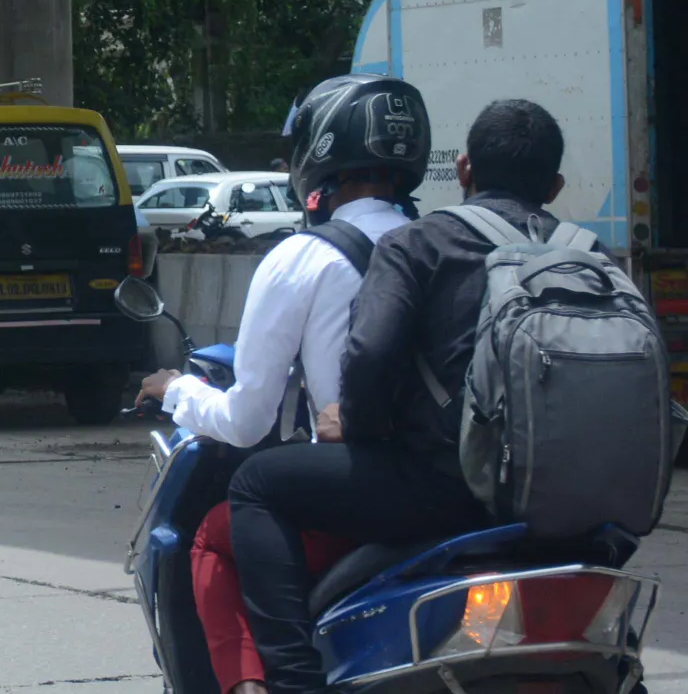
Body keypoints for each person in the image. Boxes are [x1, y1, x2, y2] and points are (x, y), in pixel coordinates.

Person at [230, 99, 571, 694]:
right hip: (569, 502)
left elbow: (370, 355)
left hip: (449, 491)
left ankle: (294, 682)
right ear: (556, 186)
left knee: (255, 484)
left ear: (464, 169)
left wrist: (356, 424)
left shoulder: (424, 242)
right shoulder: (586, 254)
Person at [137, 77, 426, 694]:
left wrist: (177, 390)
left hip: (362, 494)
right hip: (457, 486)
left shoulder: (304, 257)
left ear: (319, 150)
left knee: (216, 534)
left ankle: (267, 682)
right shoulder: (447, 242)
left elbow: (248, 420)